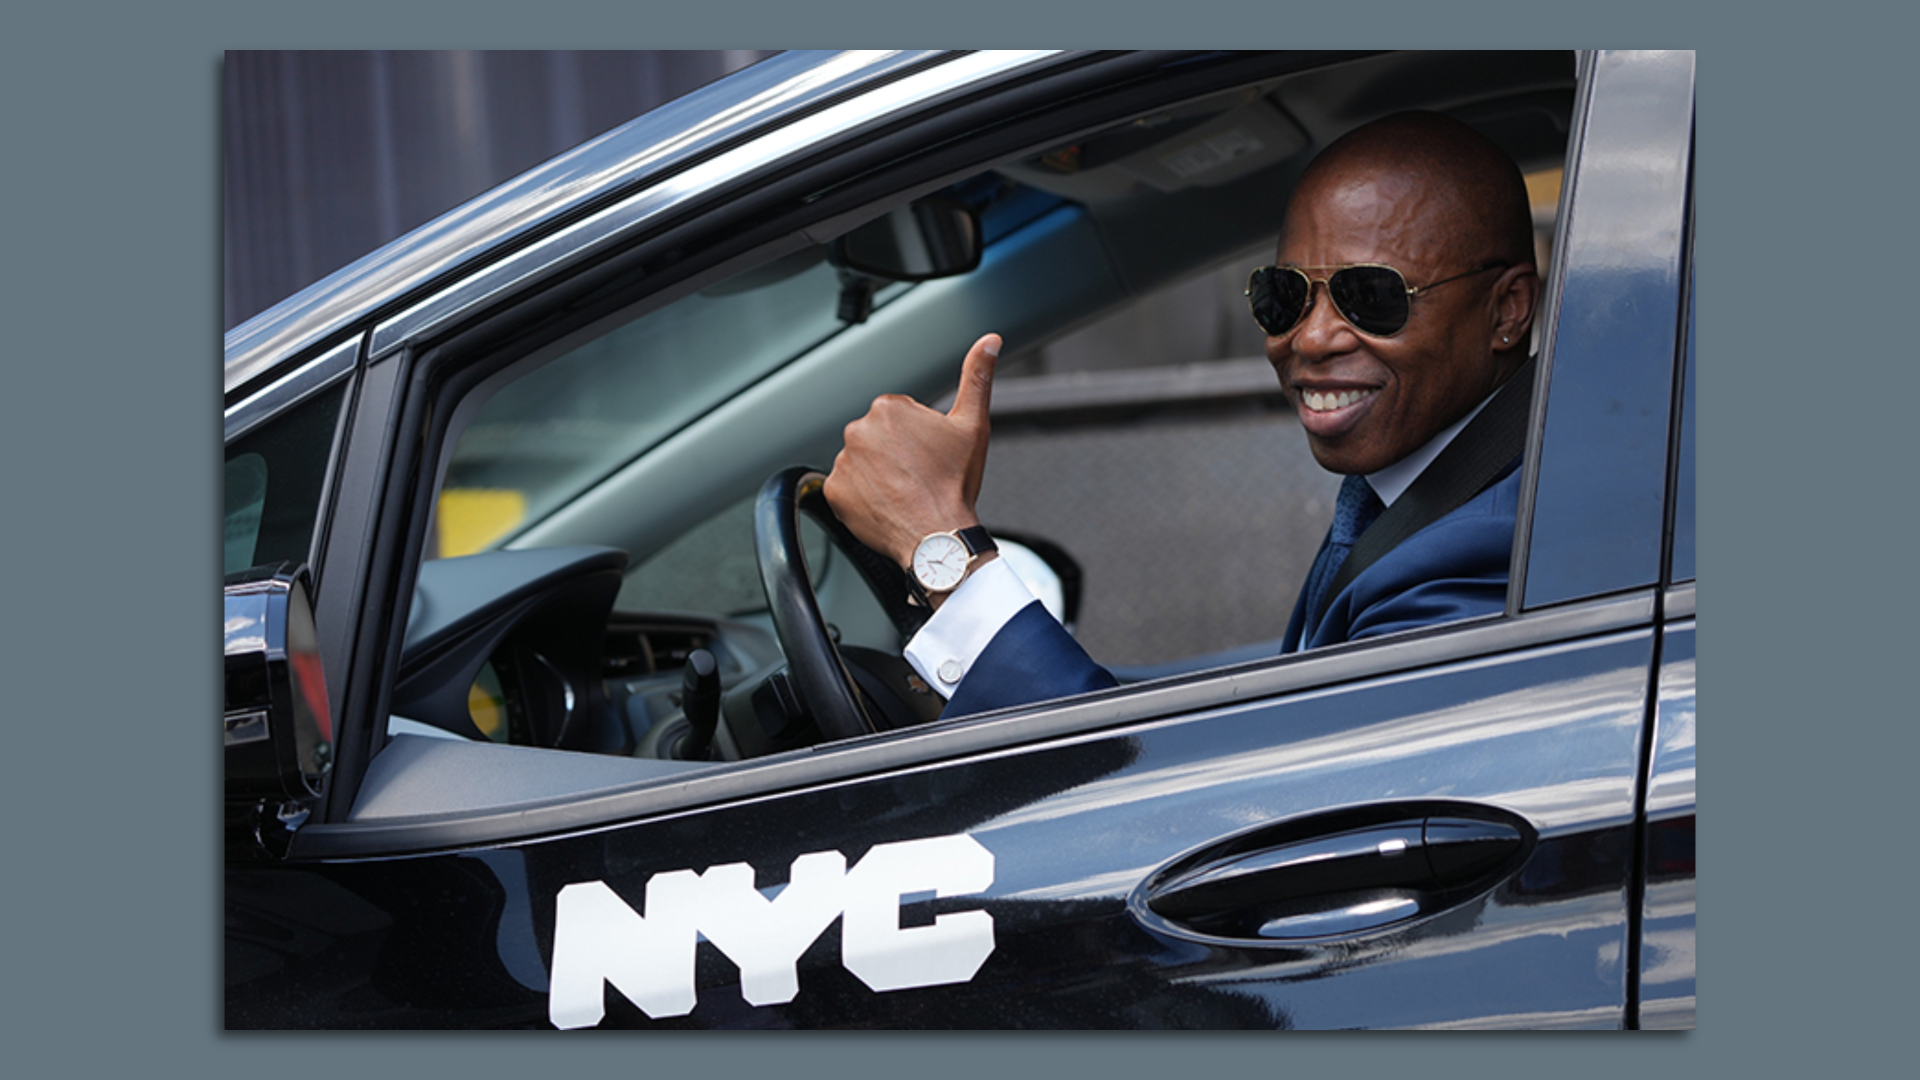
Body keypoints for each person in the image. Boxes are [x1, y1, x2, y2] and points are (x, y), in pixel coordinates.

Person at [823, 111, 1541, 717]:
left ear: (1507, 310)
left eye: (1372, 297)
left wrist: (942, 551)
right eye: (1284, 296)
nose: (1311, 338)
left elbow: (1219, 805)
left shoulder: (1489, 556)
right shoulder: (1432, 482)